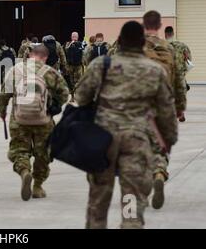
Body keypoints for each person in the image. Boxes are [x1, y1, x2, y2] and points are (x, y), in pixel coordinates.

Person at [75, 21, 178, 229]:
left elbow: (81, 97)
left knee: (98, 200)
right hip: (136, 140)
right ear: (142, 43)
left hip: (103, 141)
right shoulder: (154, 70)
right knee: (131, 199)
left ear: (119, 42)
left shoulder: (101, 65)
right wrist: (168, 139)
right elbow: (167, 111)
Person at [0, 44, 69, 201]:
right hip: (43, 120)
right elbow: (64, 93)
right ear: (45, 57)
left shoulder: (16, 70)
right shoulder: (50, 72)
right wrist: (54, 108)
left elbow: (3, 95)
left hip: (19, 119)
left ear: (30, 55)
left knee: (19, 150)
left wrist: (2, 111)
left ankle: (24, 171)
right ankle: (37, 186)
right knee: (43, 152)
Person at [142, 11, 187, 209]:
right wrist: (180, 109)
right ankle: (159, 171)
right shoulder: (170, 49)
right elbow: (179, 81)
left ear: (144, 25)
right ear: (159, 26)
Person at [165, 26, 192, 95]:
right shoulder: (183, 46)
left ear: (165, 34)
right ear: (173, 33)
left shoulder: (162, 46)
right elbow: (189, 62)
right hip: (180, 79)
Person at [65, 32, 84, 98]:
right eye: (73, 36)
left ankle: (76, 95)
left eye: (75, 36)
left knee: (77, 81)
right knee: (71, 81)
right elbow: (66, 50)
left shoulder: (81, 44)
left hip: (78, 66)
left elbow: (84, 53)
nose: (74, 37)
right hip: (70, 65)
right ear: (71, 37)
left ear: (78, 37)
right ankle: (73, 96)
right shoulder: (68, 44)